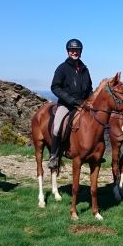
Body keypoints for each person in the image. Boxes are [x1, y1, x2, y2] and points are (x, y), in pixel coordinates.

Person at [47, 38, 93, 169]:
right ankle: (54, 156)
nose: (75, 52)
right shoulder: (62, 68)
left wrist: (90, 100)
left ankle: (95, 153)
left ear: (80, 52)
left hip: (82, 105)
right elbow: (55, 87)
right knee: (57, 128)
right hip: (66, 105)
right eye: (72, 50)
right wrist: (71, 100)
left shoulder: (85, 69)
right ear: (68, 52)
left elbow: (89, 88)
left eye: (77, 50)